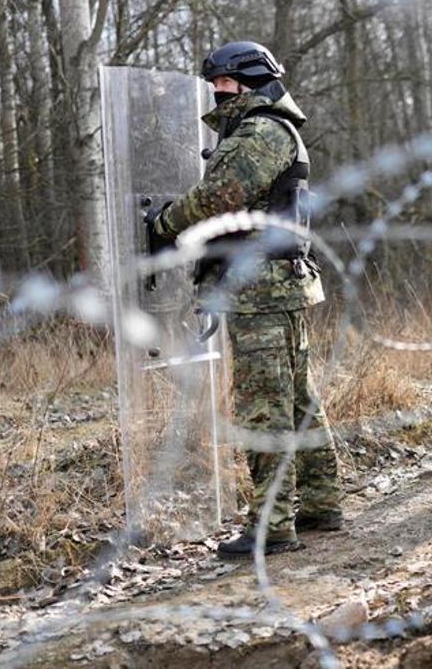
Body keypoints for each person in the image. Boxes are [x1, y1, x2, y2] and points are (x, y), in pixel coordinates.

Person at [146, 41, 343, 559]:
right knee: (297, 398)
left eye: (224, 83)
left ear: (249, 82)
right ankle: (321, 503)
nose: (216, 91)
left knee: (265, 408)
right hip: (275, 284)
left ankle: (273, 524)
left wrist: (165, 224)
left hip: (263, 290)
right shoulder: (273, 129)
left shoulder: (262, 130)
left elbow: (219, 197)